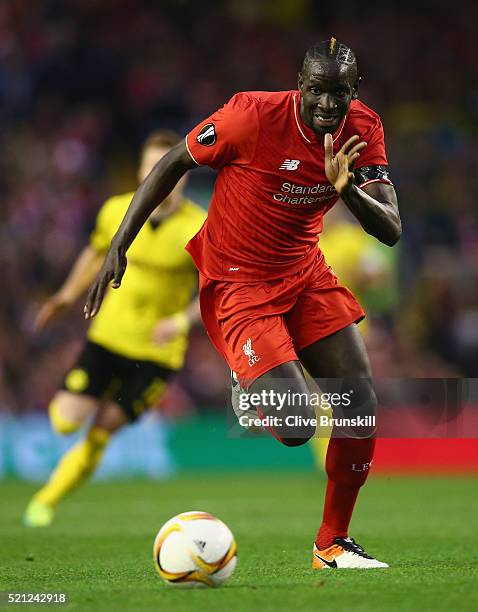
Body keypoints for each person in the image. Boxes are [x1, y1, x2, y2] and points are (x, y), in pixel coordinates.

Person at [84, 39, 401, 569]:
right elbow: (171, 163)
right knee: (298, 426)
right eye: (317, 92)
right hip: (239, 282)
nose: (328, 105)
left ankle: (331, 544)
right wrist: (120, 243)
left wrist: (346, 191)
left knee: (359, 407)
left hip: (304, 272)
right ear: (300, 85)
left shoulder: (363, 129)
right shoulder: (249, 117)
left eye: (339, 94)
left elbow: (390, 229)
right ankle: (249, 378)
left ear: (354, 92)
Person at [24, 130, 206, 527]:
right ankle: (51, 489)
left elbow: (218, 290)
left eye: (172, 172)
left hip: (158, 355)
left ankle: (45, 501)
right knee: (64, 421)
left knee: (102, 431)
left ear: (183, 176)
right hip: (108, 339)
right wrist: (65, 296)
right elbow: (94, 254)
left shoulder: (199, 227)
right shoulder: (115, 211)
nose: (163, 180)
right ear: (142, 173)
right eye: (154, 170)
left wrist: (180, 320)